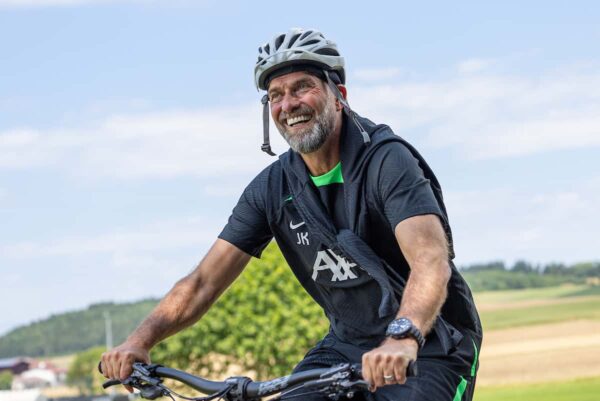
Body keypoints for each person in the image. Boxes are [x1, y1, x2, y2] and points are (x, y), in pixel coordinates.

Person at [100, 28, 482, 401]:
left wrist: (403, 338)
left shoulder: (386, 161)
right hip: (347, 346)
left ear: (339, 97)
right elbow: (202, 283)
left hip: (430, 341)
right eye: (276, 95)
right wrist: (139, 341)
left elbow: (430, 259)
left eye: (302, 87)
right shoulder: (273, 188)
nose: (288, 104)